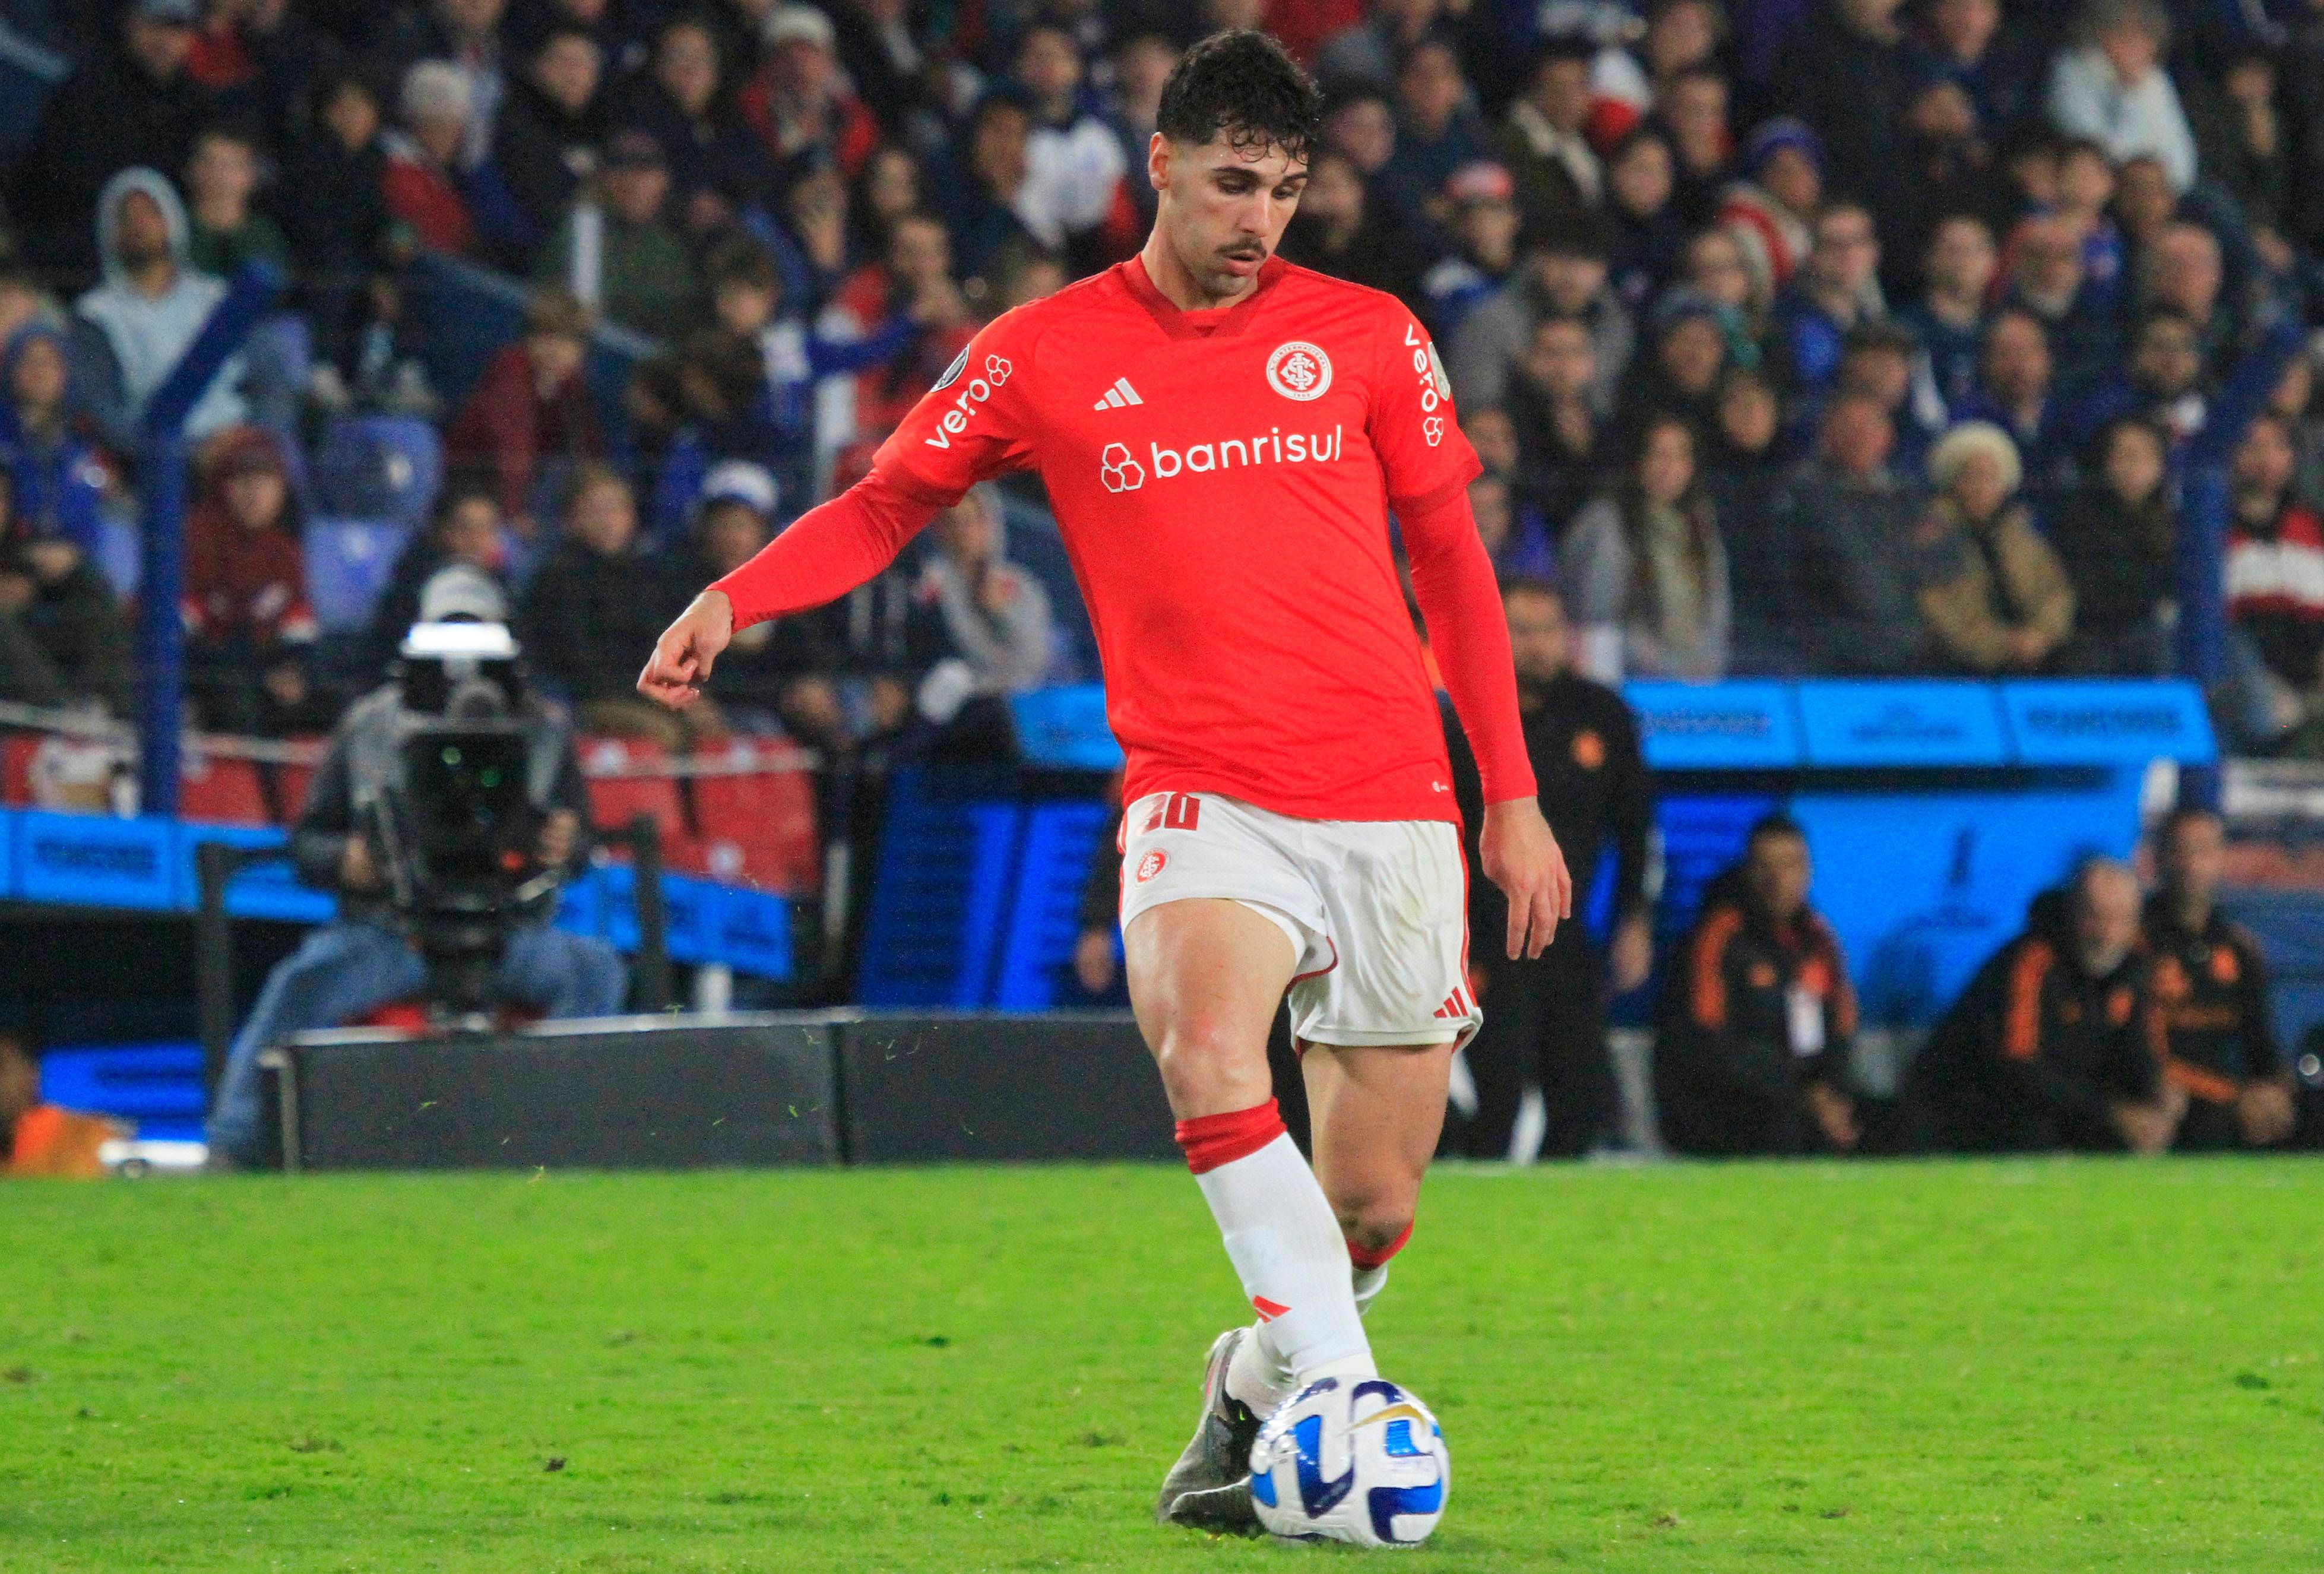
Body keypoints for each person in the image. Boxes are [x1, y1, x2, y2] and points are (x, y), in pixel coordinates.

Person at [637, 30, 1566, 1535]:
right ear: (1161, 165)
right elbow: (887, 504)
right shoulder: (1040, 352)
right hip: (1204, 789)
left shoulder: (1373, 333)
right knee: (1209, 1050)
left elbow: (1453, 563)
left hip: (1393, 791)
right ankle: (1342, 1387)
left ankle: (1257, 1378)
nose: (1257, 219)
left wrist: (1510, 794)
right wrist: (737, 598)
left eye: (1283, 190)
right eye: (1230, 184)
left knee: (1371, 1209)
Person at [204, 566, 627, 1168]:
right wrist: (344, 860)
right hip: (391, 929)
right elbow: (309, 843)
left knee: (595, 970)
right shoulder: (366, 723)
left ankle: (564, 1138)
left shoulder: (546, 730)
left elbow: (579, 841)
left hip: (507, 929)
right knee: (298, 984)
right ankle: (234, 1144)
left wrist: (567, 843)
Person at [1446, 581, 1651, 1160]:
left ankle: (1561, 1217)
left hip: (1567, 938)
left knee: (1580, 1097)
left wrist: (1631, 917)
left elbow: (1634, 826)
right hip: (1485, 939)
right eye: (1521, 629)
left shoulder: (1601, 715)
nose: (1537, 644)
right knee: (1496, 1094)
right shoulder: (1460, 719)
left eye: (1547, 629)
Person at [1908, 859, 2184, 1154]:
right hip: (1971, 1106)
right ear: (2072, 914)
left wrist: (2159, 1092)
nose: (2107, 935)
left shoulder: (2137, 965)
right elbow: (2018, 1066)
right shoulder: (2030, 962)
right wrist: (2111, 1114)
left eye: (2120, 920)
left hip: (2070, 1105)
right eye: (2096, 917)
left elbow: (2142, 1047)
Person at [1655, 814, 1863, 1157]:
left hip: (1809, 1096)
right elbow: (1711, 1042)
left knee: (1894, 1122)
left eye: (1790, 865)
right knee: (1785, 1126)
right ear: (1748, 872)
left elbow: (1842, 1027)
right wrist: (1801, 1092)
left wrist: (1830, 1093)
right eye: (1766, 866)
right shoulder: (1720, 936)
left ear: (1808, 871)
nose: (1778, 879)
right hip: (1730, 1102)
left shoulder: (1819, 938)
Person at [524, 462, 708, 749]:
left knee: (712, 725)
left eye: (615, 509)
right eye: (595, 510)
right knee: (665, 735)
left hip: (646, 690)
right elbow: (577, 664)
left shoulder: (646, 574)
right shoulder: (559, 578)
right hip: (591, 698)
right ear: (570, 520)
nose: (607, 520)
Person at [2145, 806, 2296, 1151]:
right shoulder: (2137, 945)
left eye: (2203, 850)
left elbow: (2261, 1041)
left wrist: (2274, 1091)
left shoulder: (2239, 948)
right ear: (2159, 858)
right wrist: (2235, 1096)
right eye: (2180, 850)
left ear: (2222, 858)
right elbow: (2141, 1052)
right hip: (2171, 1096)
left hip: (2234, 1096)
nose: (2191, 864)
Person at [71, 169, 250, 446]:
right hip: (155, 450)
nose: (139, 225)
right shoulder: (95, 314)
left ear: (171, 220)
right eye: (126, 218)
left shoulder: (215, 297)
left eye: (150, 213)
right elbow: (104, 408)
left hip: (233, 437)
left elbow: (254, 378)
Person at [1560, 412, 1730, 682]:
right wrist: (1662, 665)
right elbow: (1598, 618)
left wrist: (1706, 664)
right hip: (1627, 680)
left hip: (1697, 682)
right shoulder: (1608, 522)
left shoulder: (1701, 521)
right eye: (1659, 455)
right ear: (1639, 461)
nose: (1670, 467)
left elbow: (1718, 606)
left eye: (1680, 456)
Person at [904, 482, 1055, 752]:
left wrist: (1001, 613)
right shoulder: (929, 588)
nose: (965, 532)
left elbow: (1036, 660)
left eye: (974, 521)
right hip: (952, 719)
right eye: (955, 522)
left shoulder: (1020, 586)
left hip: (1017, 712)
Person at [443, 284, 603, 536]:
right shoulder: (511, 373)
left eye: (569, 341)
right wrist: (514, 513)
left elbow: (586, 450)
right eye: (547, 337)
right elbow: (511, 449)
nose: (557, 351)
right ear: (530, 339)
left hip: (525, 493)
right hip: (470, 490)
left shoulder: (570, 386)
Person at [1917, 422, 2074, 674]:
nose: (1981, 488)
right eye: (1970, 477)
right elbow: (1939, 614)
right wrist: (2004, 644)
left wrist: (2041, 635)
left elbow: (2056, 593)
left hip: (2036, 657)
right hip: (1964, 668)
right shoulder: (1932, 539)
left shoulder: (2023, 536)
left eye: (1990, 477)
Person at [2052, 417, 2177, 674]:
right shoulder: (2080, 518)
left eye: (2143, 456)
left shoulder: (2176, 522)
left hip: (2152, 632)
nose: (2133, 467)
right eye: (2124, 455)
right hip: (2093, 631)